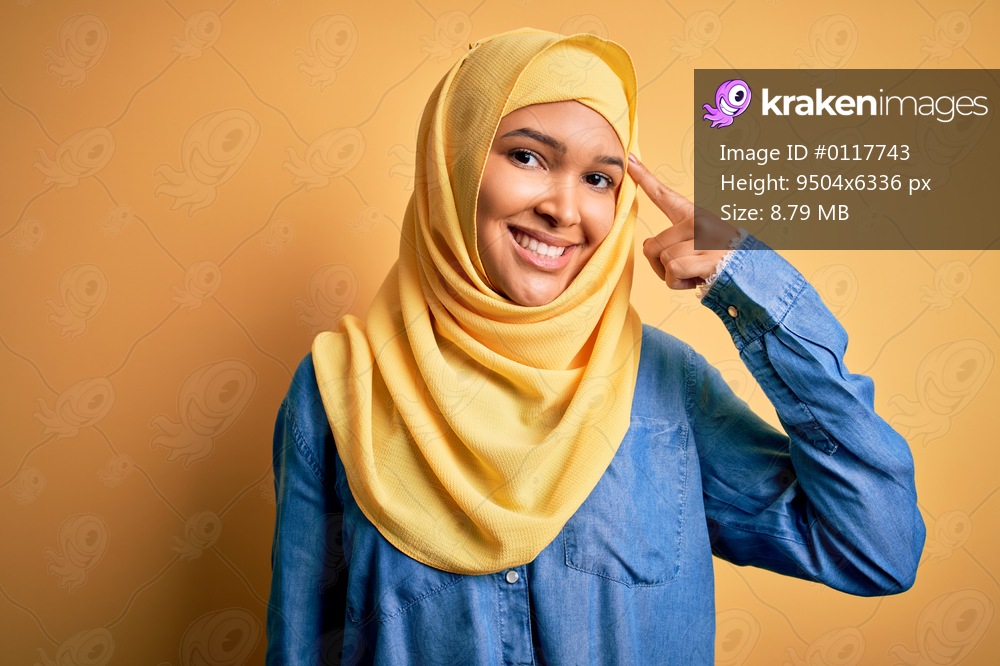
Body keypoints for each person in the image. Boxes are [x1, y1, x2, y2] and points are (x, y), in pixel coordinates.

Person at [266, 28, 924, 665]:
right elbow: (303, 643)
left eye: (600, 179)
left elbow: (875, 548)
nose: (565, 209)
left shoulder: (666, 389)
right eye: (527, 156)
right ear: (453, 164)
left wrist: (747, 286)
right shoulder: (339, 388)